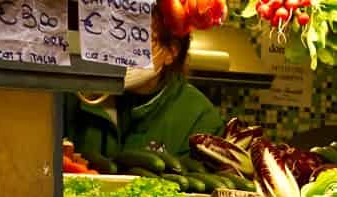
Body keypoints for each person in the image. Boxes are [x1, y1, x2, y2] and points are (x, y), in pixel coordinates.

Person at [67, 11, 224, 162]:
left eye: (138, 38)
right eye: (117, 35)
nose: (123, 49)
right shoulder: (76, 97)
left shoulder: (199, 120)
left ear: (171, 51)